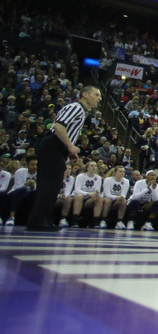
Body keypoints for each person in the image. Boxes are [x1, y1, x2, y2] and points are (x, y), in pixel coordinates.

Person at [27, 85, 102, 231]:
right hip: (53, 145)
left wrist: (69, 150)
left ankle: (40, 220)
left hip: (57, 147)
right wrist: (70, 145)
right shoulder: (76, 108)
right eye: (96, 95)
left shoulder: (81, 111)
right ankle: (39, 221)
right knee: (49, 185)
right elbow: (58, 126)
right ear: (85, 95)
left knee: (51, 185)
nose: (99, 98)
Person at [62, 161, 102, 227]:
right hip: (78, 196)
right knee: (79, 196)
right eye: (92, 165)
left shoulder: (98, 178)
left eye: (95, 166)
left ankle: (96, 222)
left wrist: (96, 194)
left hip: (89, 198)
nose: (94, 167)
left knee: (99, 198)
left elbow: (97, 191)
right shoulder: (81, 176)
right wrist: (88, 193)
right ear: (87, 168)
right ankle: (75, 221)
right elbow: (77, 190)